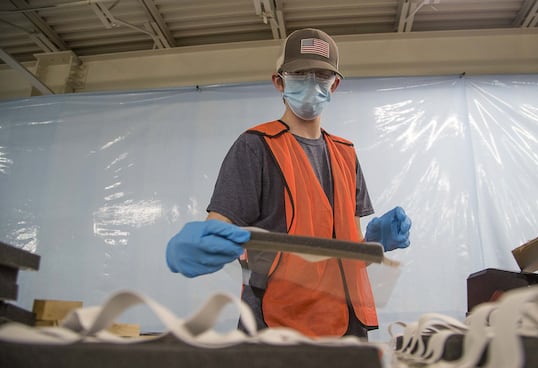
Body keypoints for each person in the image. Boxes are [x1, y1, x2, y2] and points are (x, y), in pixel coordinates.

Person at [166, 28, 411, 339]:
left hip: (347, 325)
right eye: (299, 73)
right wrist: (201, 243)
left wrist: (375, 245)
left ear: (334, 85)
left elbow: (344, 251)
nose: (311, 82)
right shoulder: (256, 146)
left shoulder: (346, 154)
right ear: (278, 81)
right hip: (276, 324)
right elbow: (220, 226)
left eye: (321, 74)